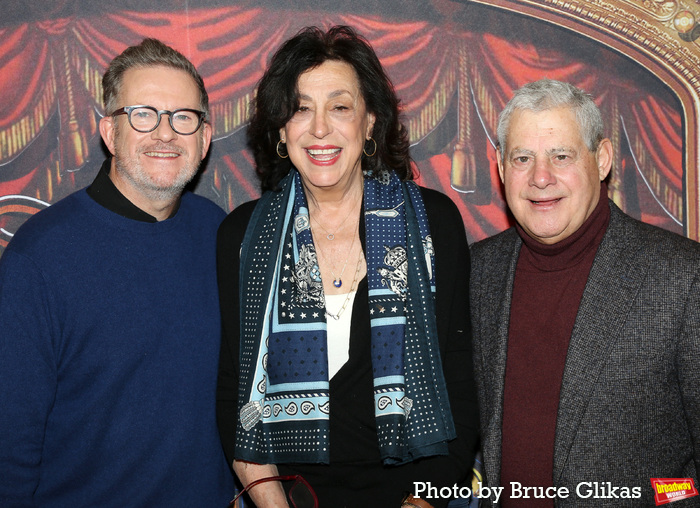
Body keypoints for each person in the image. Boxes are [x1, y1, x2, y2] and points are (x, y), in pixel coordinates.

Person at [216, 25, 479, 508]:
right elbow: (236, 396)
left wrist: (422, 502)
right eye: (300, 108)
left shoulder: (433, 225)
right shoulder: (242, 237)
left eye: (339, 107)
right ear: (280, 129)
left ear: (371, 123)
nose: (319, 128)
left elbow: (461, 388)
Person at [0, 39, 234, 507]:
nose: (165, 133)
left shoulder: (220, 234)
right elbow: (10, 444)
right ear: (110, 132)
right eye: (144, 114)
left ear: (205, 139)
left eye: (183, 117)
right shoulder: (39, 259)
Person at [470, 78, 700, 506]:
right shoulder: (475, 272)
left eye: (561, 156)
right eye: (523, 158)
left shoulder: (684, 277)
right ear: (501, 168)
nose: (541, 177)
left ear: (603, 160)